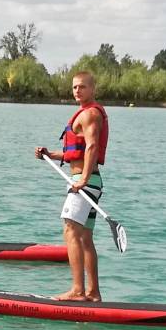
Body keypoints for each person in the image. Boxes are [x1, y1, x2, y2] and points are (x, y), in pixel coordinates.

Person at [34, 71, 108, 301]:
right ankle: (93, 293)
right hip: (89, 182)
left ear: (92, 89)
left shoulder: (90, 114)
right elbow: (74, 152)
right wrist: (50, 154)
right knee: (85, 237)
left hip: (85, 183)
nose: (78, 91)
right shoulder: (85, 113)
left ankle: (78, 290)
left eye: (82, 87)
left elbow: (92, 147)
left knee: (70, 231)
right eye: (75, 87)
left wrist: (83, 179)